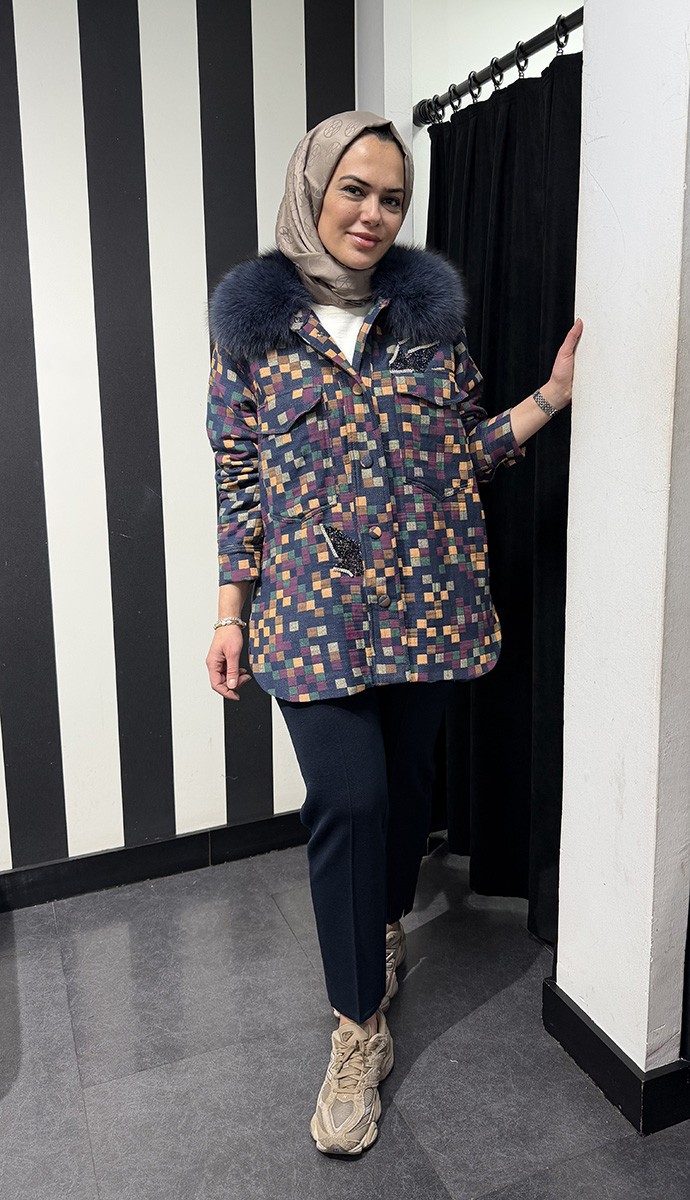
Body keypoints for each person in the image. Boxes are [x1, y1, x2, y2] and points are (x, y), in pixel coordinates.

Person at [205, 110, 582, 1157]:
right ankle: (355, 1027)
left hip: (427, 610)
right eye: (355, 190)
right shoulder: (252, 334)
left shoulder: (428, 328)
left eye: (393, 199)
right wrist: (230, 612)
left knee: (408, 795)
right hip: (309, 618)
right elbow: (238, 482)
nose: (374, 214)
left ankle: (378, 932)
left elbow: (462, 453)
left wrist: (548, 400)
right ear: (311, 189)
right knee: (350, 800)